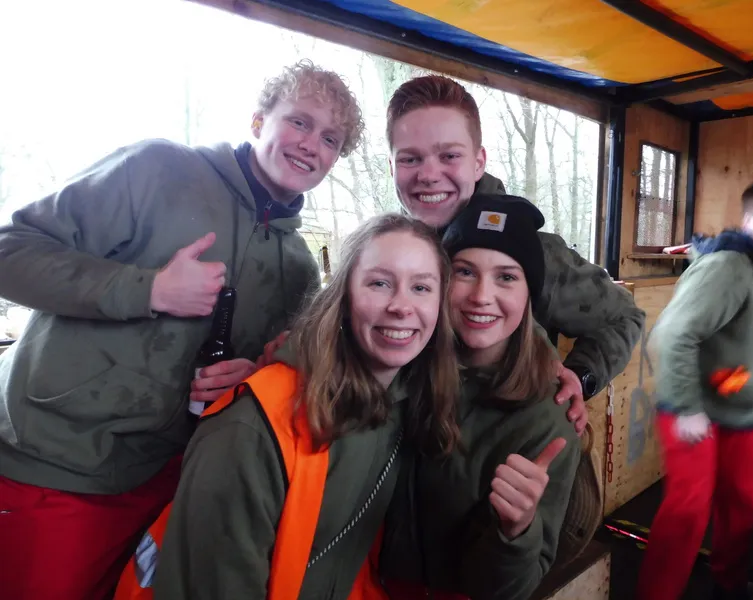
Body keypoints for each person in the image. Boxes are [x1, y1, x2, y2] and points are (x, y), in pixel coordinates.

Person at [0, 60, 364, 600]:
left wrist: (247, 377)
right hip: (54, 467)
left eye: (331, 139)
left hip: (172, 485)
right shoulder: (158, 169)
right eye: (299, 122)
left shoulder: (300, 271)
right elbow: (11, 253)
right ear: (258, 121)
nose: (312, 144)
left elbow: (255, 383)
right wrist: (147, 289)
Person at [138, 214, 461, 600]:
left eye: (421, 287)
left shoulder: (405, 403)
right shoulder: (249, 431)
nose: (401, 306)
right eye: (379, 283)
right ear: (343, 298)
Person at [385, 74, 646, 433]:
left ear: (478, 162)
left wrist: (581, 375)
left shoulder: (534, 253)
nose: (429, 174)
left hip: (514, 450)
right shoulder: (389, 254)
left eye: (449, 155)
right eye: (410, 159)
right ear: (391, 166)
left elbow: (624, 315)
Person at [380, 194, 582, 600]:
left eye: (506, 277)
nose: (480, 296)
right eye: (464, 272)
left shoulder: (548, 419)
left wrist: (517, 530)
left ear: (528, 295)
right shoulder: (402, 365)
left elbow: (511, 590)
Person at [636, 178, 753, 600]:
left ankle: (729, 587)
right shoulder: (729, 267)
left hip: (745, 414)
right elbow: (672, 336)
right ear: (748, 220)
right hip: (696, 411)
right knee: (688, 511)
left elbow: (741, 327)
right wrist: (687, 407)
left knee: (743, 507)